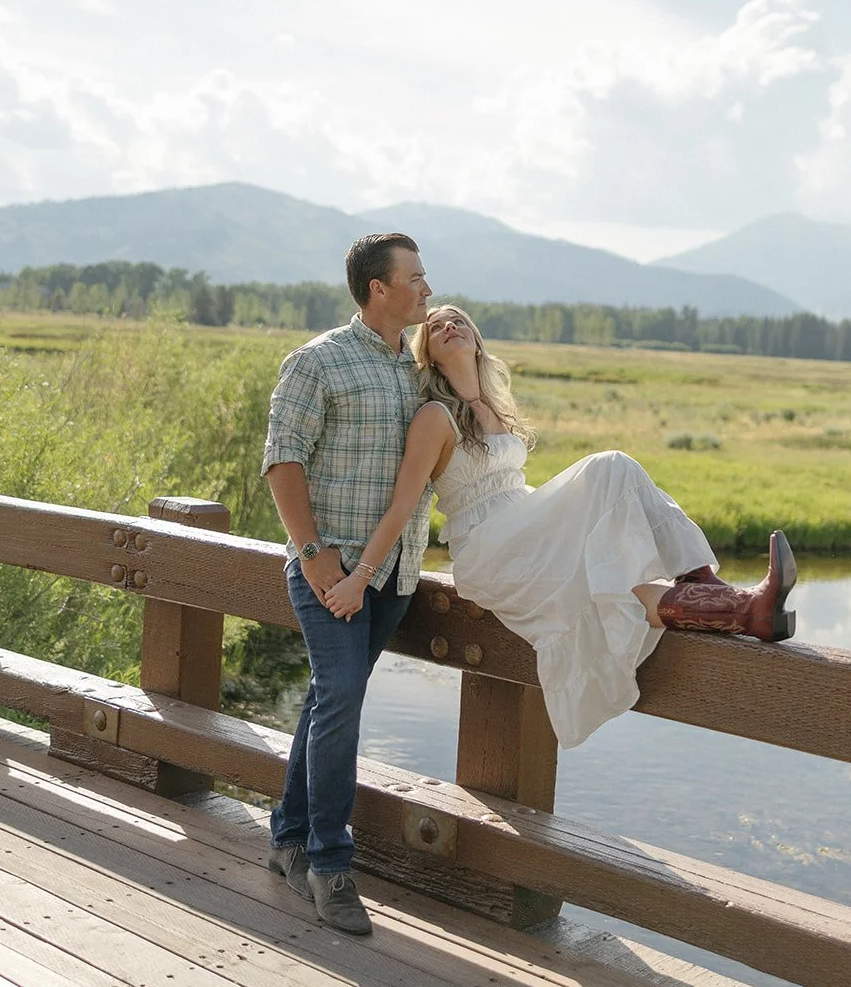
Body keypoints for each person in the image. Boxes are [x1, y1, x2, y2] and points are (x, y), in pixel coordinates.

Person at [326, 305, 798, 750]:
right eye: (436, 327)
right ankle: (701, 576)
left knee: (621, 593)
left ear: (477, 342)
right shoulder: (434, 417)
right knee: (611, 467)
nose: (449, 326)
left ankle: (750, 611)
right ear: (427, 354)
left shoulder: (495, 407)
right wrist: (360, 578)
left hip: (525, 526)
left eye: (459, 322)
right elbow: (402, 506)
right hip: (488, 543)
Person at [261, 233, 433, 935]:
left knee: (328, 699)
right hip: (329, 570)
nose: (426, 288)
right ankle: (330, 864)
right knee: (341, 696)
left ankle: (287, 837)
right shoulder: (317, 362)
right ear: (377, 289)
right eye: (414, 278)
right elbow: (282, 462)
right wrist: (311, 554)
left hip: (392, 576)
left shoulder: (418, 373)